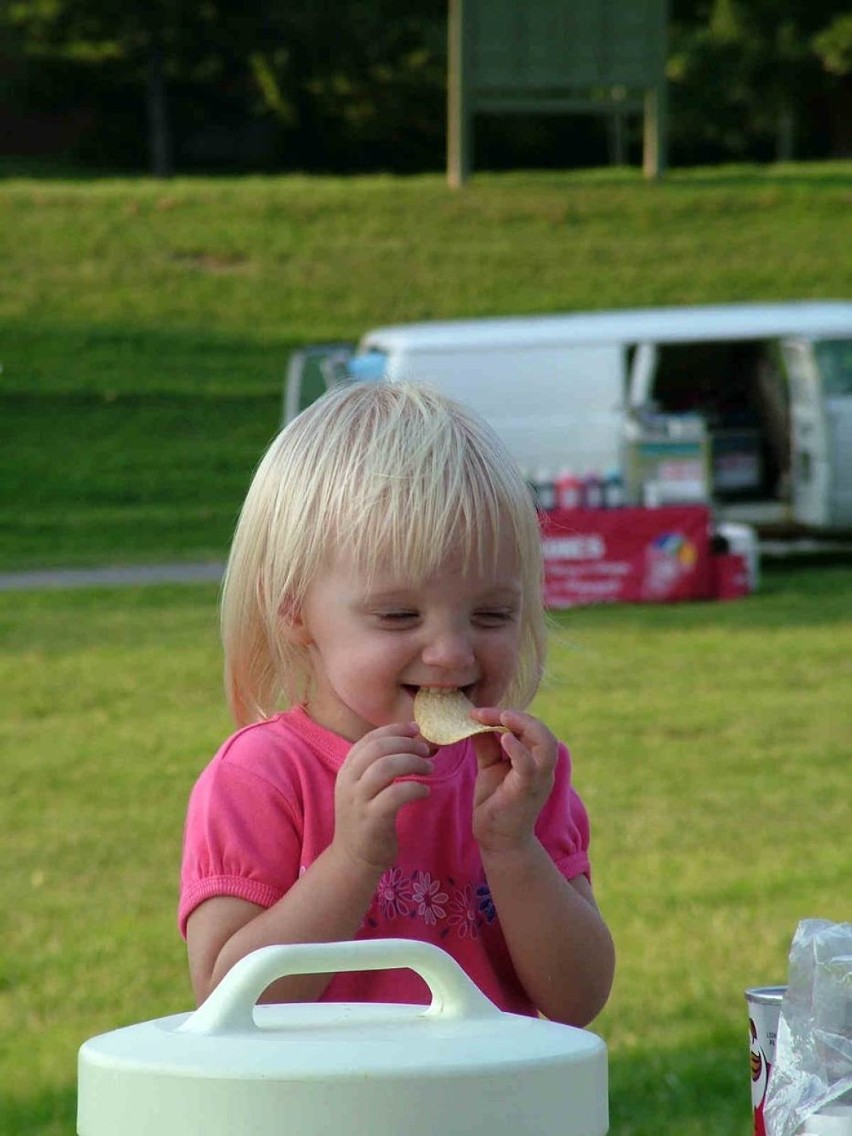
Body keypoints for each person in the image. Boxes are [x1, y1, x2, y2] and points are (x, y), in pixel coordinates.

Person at [179, 380, 615, 1026]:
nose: (451, 653)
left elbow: (578, 999)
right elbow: (227, 1002)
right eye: (399, 614)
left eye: (492, 614)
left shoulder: (519, 782)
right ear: (294, 608)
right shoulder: (262, 777)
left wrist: (512, 847)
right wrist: (352, 861)